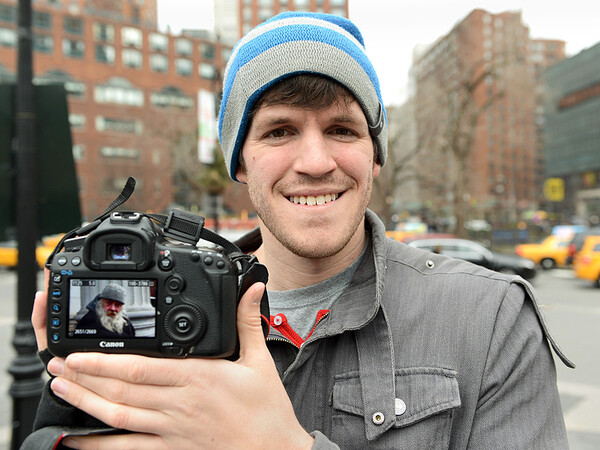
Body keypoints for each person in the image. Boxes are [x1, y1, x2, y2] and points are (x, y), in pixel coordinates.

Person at [24, 11, 573, 449]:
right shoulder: (132, 309)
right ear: (240, 162)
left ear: (375, 155)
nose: (315, 161)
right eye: (279, 130)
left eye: (341, 128)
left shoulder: (490, 319)